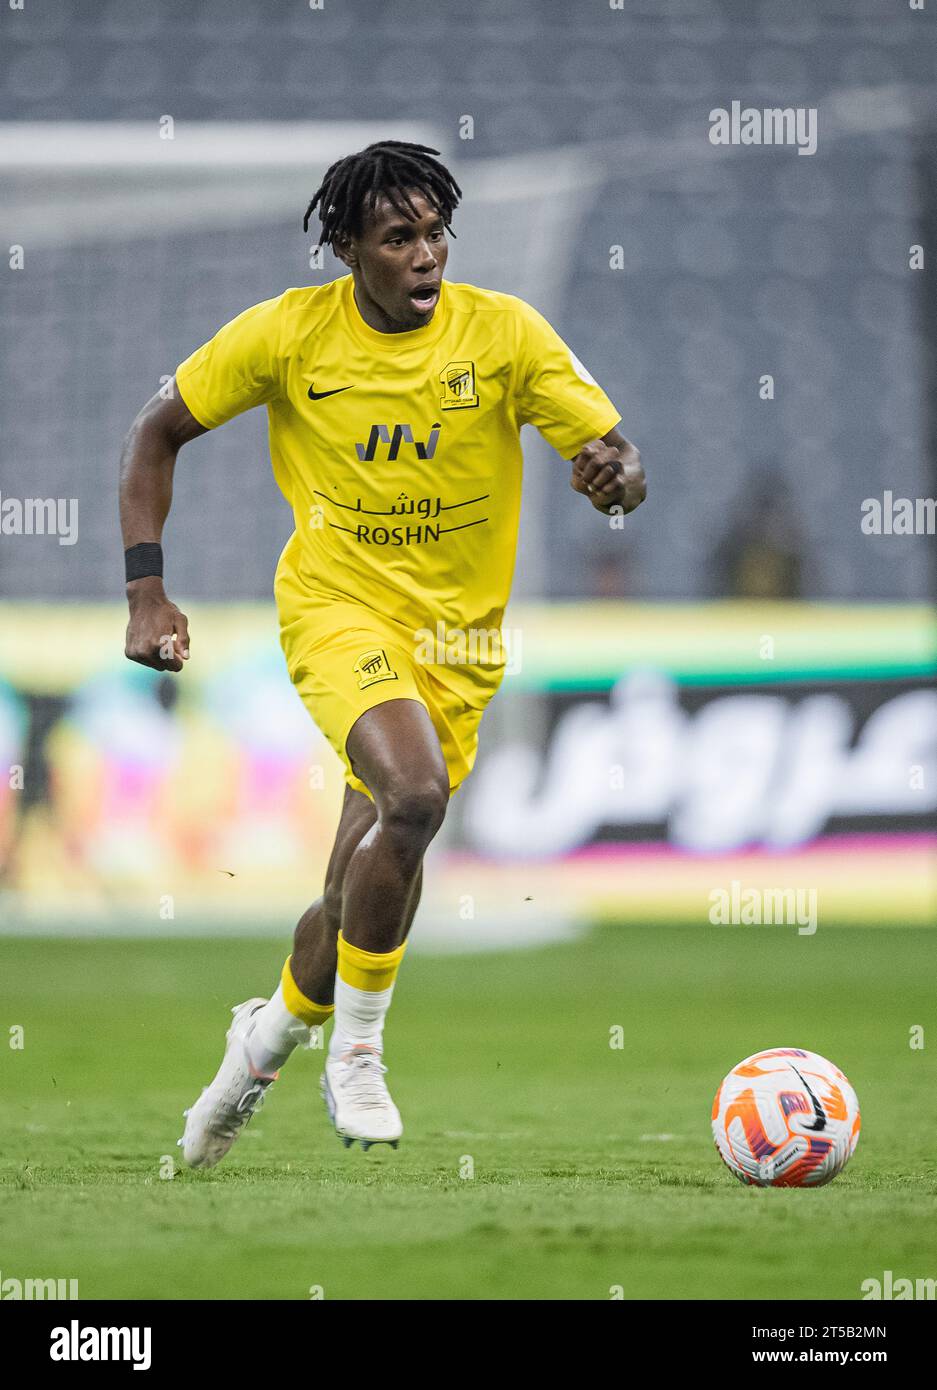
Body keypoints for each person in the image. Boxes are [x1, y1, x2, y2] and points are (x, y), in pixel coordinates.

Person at [118, 141, 646, 1166]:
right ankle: (356, 1053)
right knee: (413, 799)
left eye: (436, 234)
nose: (425, 256)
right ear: (346, 247)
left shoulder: (503, 335)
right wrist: (147, 589)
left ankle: (260, 1043)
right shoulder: (286, 335)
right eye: (398, 237)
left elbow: (618, 455)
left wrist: (612, 476)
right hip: (337, 611)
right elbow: (156, 431)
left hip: (458, 646)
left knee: (352, 886)